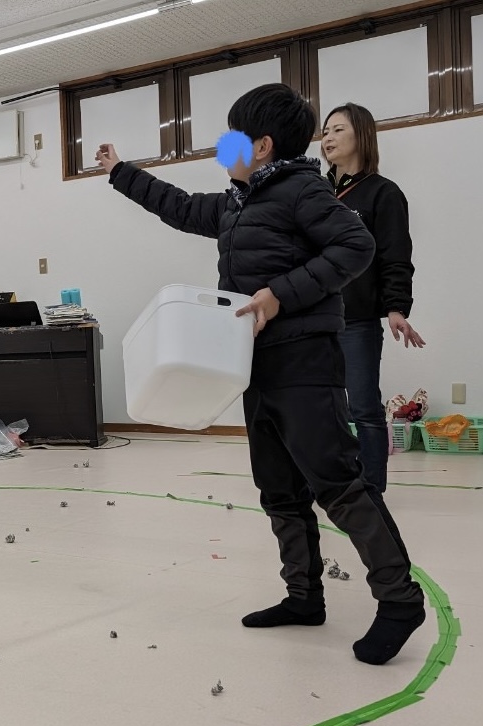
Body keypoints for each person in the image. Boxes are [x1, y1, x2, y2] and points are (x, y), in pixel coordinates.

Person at [95, 83, 425, 665]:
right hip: (254, 365)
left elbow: (356, 245)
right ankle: (304, 596)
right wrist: (121, 172)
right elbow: (179, 206)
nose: (223, 148)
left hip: (306, 360)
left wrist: (279, 294)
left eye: (232, 138)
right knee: (278, 487)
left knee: (337, 484)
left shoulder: (302, 190)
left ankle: (399, 600)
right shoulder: (237, 202)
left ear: (263, 145)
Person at [321, 103, 425, 493]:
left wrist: (395, 307)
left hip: (357, 319)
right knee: (321, 408)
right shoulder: (316, 193)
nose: (328, 138)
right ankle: (329, 483)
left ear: (362, 136)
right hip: (314, 319)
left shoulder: (384, 193)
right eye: (325, 131)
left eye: (338, 130)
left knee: (362, 408)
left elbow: (395, 255)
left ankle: (371, 490)